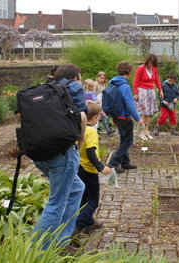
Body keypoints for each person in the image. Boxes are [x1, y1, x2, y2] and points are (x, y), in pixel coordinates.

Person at [32, 63, 86, 249]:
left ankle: (62, 239)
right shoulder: (74, 87)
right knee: (56, 203)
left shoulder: (46, 89)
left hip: (39, 152)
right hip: (62, 152)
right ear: (77, 76)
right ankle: (35, 251)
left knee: (77, 188)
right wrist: (80, 141)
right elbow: (81, 117)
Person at [74, 101, 111, 235]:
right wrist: (101, 167)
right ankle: (78, 226)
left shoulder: (79, 128)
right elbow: (91, 152)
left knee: (83, 199)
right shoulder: (91, 132)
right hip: (89, 170)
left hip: (79, 167)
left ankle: (89, 223)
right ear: (95, 117)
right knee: (93, 201)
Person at [108, 61, 144, 173]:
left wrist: (113, 117)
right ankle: (113, 163)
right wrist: (138, 119)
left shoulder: (113, 83)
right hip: (125, 118)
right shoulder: (125, 86)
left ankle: (125, 163)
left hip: (117, 116)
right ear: (129, 71)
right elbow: (130, 104)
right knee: (127, 141)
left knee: (124, 140)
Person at [133, 54, 163, 140]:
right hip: (142, 92)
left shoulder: (154, 69)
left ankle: (146, 131)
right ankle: (141, 132)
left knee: (148, 114)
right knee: (143, 113)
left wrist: (160, 90)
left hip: (151, 92)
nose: (151, 65)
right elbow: (135, 81)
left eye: (153, 63)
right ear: (147, 61)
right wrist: (135, 93)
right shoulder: (141, 68)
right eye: (150, 62)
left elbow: (156, 80)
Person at [153, 72, 179, 136]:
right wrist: (163, 101)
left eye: (172, 81)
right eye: (169, 80)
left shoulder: (175, 87)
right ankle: (156, 127)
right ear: (167, 79)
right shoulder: (163, 85)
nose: (171, 82)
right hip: (164, 105)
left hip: (172, 105)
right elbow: (159, 95)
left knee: (173, 118)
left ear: (174, 81)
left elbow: (178, 94)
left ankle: (172, 129)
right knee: (163, 117)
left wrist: (176, 98)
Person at [94, 71, 115, 135]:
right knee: (98, 116)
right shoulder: (96, 84)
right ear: (98, 78)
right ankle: (95, 130)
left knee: (103, 116)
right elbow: (94, 93)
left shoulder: (103, 85)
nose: (102, 80)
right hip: (97, 102)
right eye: (101, 78)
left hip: (102, 102)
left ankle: (108, 130)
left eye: (103, 78)